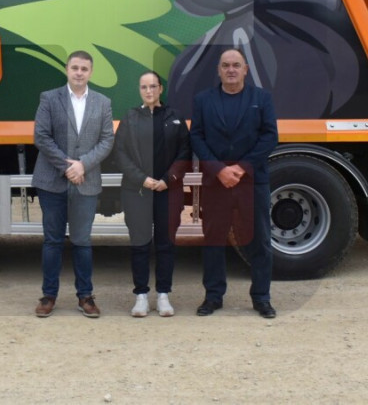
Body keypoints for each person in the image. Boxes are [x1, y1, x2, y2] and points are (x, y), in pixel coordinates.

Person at [189, 48, 279, 318]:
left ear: (245, 70)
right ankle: (213, 297)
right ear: (218, 70)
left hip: (251, 181)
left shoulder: (261, 98)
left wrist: (240, 168)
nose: (231, 70)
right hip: (216, 182)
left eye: (236, 65)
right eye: (226, 65)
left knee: (260, 241)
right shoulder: (203, 100)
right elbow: (196, 137)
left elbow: (269, 137)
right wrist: (219, 170)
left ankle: (261, 298)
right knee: (213, 240)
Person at [32, 50, 114, 318]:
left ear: (91, 72)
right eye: (75, 68)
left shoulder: (103, 102)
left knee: (82, 241)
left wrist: (83, 165)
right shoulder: (49, 98)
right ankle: (48, 296)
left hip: (86, 181)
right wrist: (69, 167)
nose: (79, 73)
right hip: (52, 181)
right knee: (52, 241)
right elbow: (41, 136)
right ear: (67, 69)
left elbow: (107, 140)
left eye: (84, 69)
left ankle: (85, 297)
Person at [114, 70, 191, 317]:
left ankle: (164, 295)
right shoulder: (130, 117)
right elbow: (120, 153)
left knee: (166, 243)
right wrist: (142, 179)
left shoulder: (175, 117)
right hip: (138, 190)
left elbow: (185, 152)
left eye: (153, 86)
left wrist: (168, 180)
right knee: (140, 244)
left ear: (161, 89)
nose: (148, 91)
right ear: (140, 90)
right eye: (144, 87)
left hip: (168, 190)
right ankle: (141, 296)